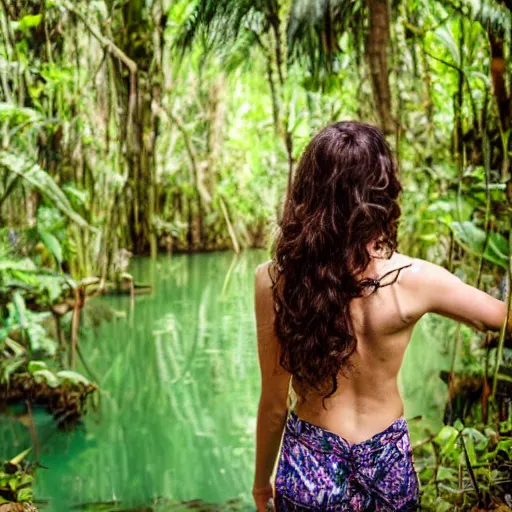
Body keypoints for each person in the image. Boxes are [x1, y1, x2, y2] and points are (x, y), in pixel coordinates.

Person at [252, 121, 509, 512]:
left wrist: (260, 483)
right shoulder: (415, 280)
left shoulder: (275, 281)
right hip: (387, 463)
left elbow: (273, 405)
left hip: (310, 461)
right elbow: (502, 319)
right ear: (382, 193)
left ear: (307, 191)